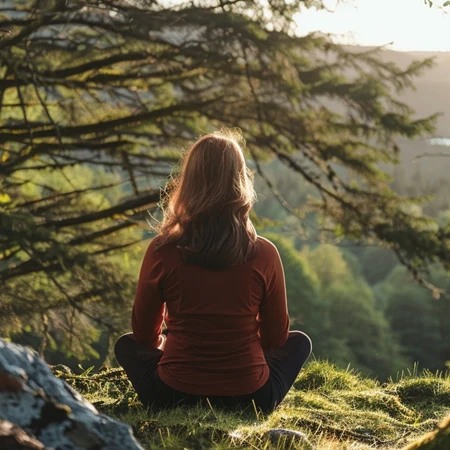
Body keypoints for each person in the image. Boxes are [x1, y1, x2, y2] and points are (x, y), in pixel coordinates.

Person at [114, 130, 312, 414]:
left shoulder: (162, 250)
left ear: (189, 181)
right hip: (252, 399)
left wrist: (173, 347)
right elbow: (275, 339)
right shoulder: (265, 253)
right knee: (299, 343)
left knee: (126, 345)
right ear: (241, 182)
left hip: (170, 394)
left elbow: (144, 336)